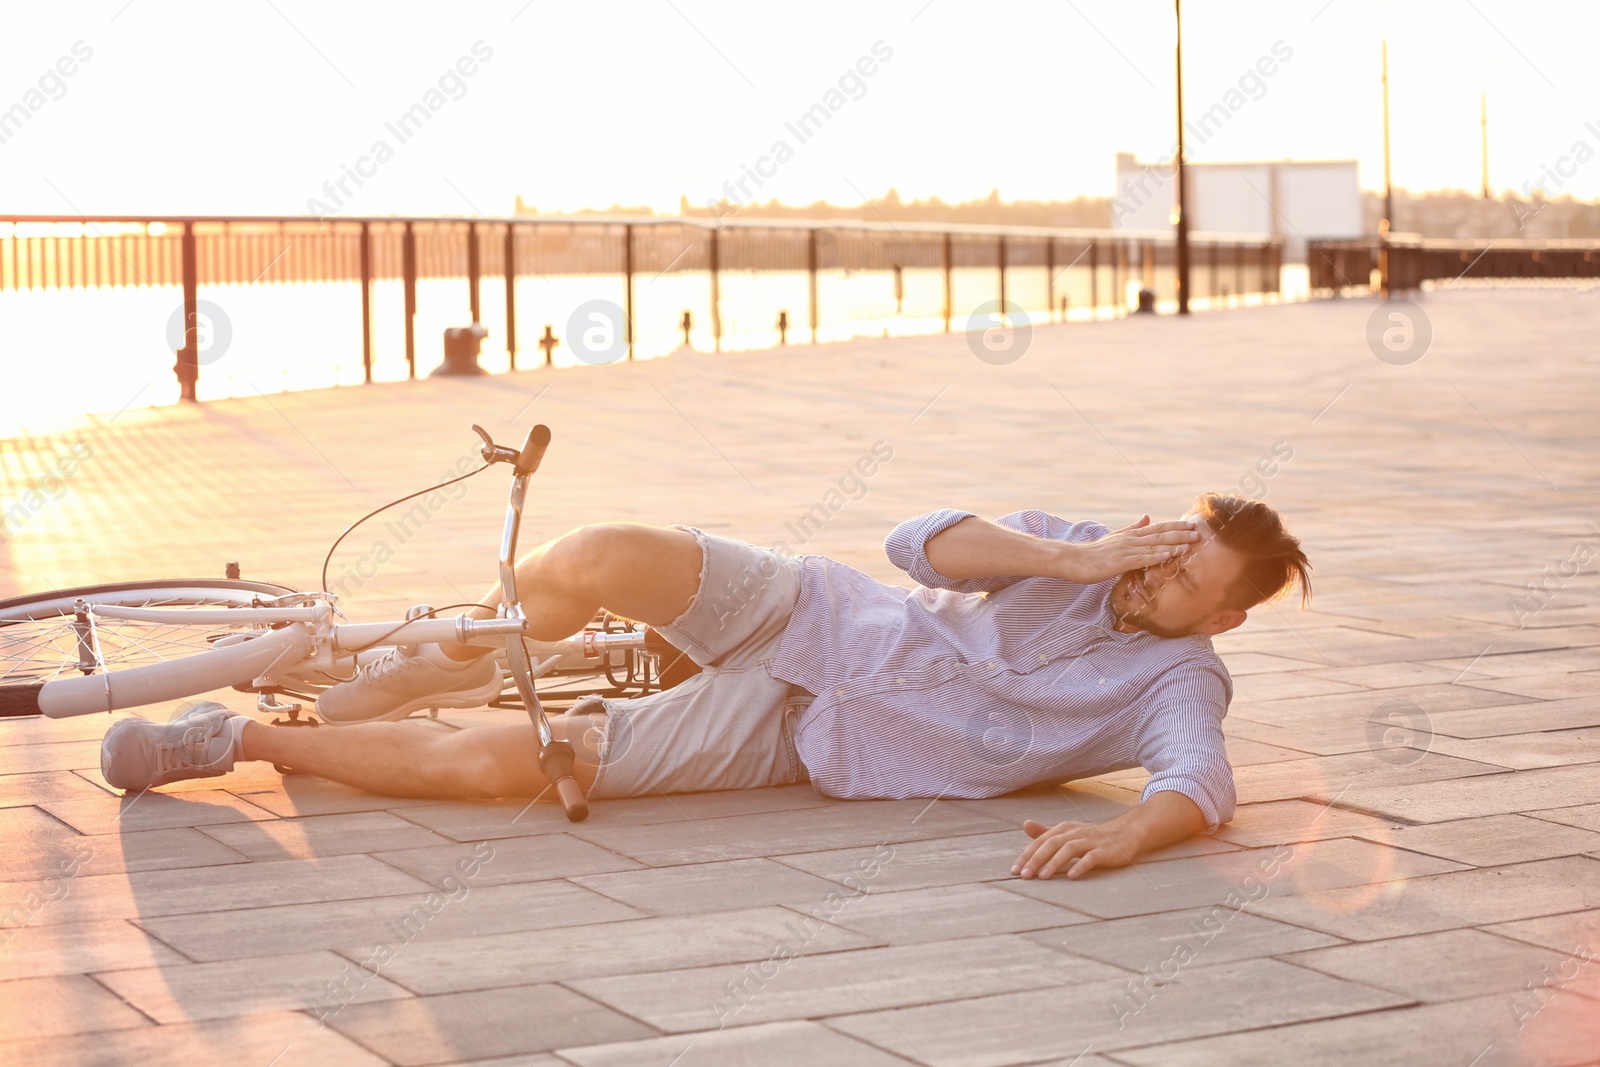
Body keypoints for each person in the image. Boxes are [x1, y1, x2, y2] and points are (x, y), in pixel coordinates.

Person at [100, 492, 1311, 881]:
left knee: (520, 764)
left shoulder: (1178, 678)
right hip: (816, 608)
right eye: (1164, 557)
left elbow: (1196, 783)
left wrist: (1121, 843)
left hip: (808, 729)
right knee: (598, 555)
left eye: (1181, 580)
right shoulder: (1088, 550)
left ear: (1229, 613)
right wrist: (1076, 556)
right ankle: (403, 669)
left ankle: (245, 734)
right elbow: (915, 543)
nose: (1153, 584)